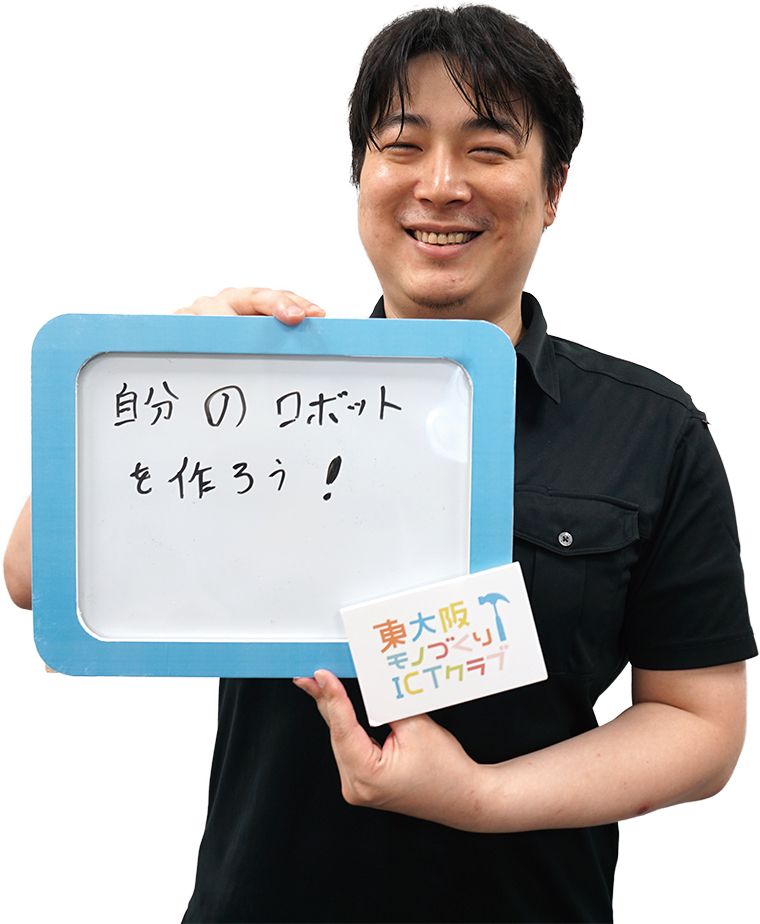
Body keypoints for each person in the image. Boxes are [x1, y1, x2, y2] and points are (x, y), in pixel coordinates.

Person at [4, 6, 755, 923]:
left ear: (554, 188)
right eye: (402, 146)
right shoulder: (251, 399)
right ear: (360, 175)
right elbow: (34, 576)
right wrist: (162, 373)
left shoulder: (650, 429)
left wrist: (478, 796)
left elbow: (699, 723)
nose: (440, 185)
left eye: (487, 150)